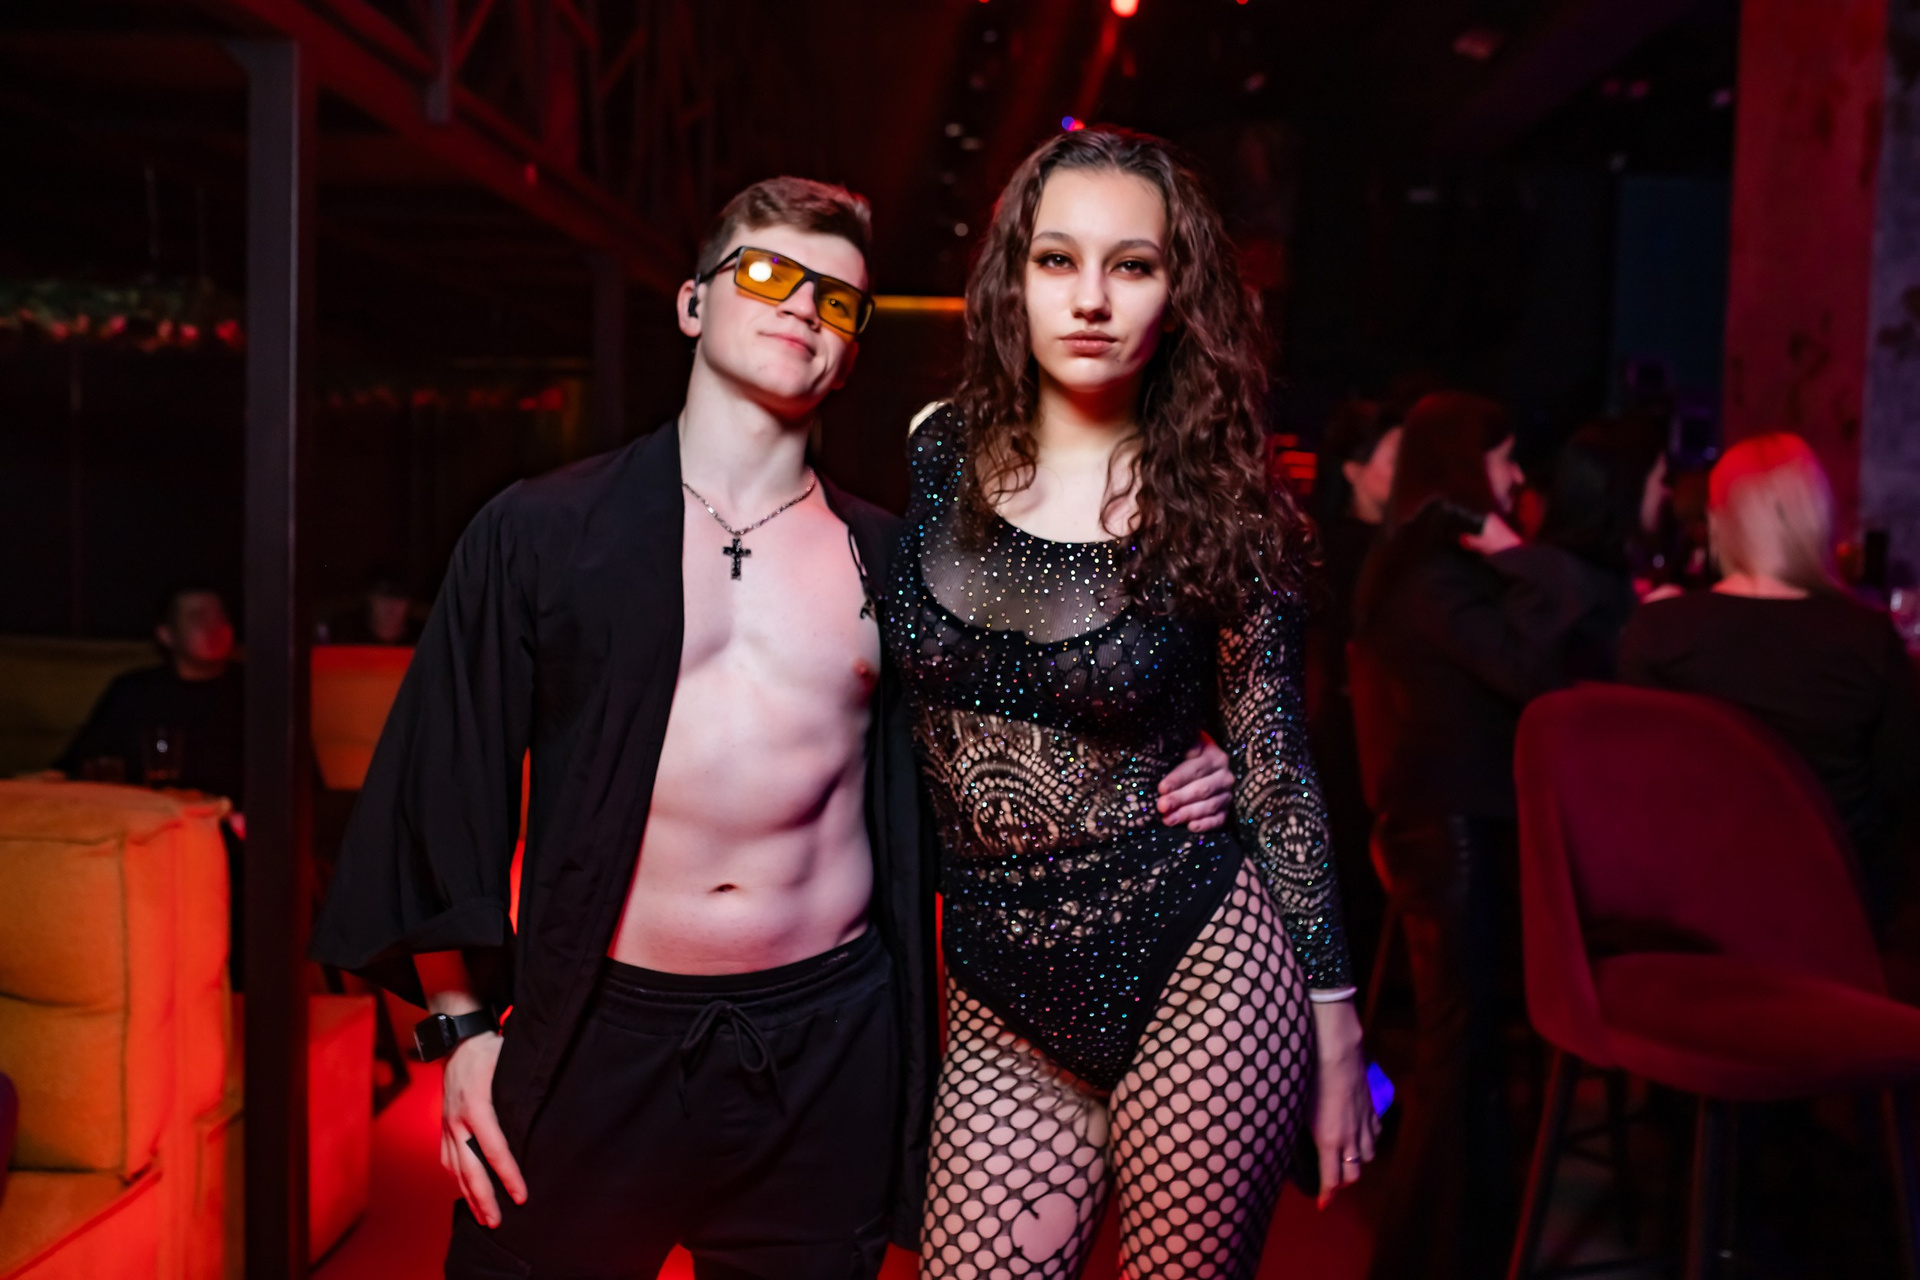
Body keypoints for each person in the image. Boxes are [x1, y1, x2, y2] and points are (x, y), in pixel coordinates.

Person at [309, 175, 1234, 1280]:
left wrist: (1178, 759)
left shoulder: (903, 564)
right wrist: (459, 1031)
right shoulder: (542, 533)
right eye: (765, 272)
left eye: (837, 300)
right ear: (694, 303)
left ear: (848, 355)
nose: (802, 304)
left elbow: (1022, 738)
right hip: (601, 1033)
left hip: (826, 1046)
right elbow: (440, 782)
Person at [884, 126, 1376, 1280]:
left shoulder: (1224, 502)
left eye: (1133, 264)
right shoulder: (935, 450)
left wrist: (1338, 1021)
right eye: (1058, 259)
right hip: (997, 984)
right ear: (1013, 277)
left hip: (1200, 961)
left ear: (1178, 291)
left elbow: (1274, 761)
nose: (1092, 297)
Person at [1350, 391, 1587, 1280]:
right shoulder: (1434, 577)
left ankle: (1455, 1246)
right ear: (1463, 466)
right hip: (1446, 833)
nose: (1516, 477)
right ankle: (1432, 1255)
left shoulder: (1417, 566)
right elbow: (1532, 671)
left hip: (1443, 825)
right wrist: (1518, 552)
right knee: (1457, 1057)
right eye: (1503, 458)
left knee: (1465, 1052)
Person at [1620, 433, 1920, 931]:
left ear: (1718, 523)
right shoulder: (1867, 638)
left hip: (1694, 902)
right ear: (1815, 521)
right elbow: (1899, 789)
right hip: (1831, 903)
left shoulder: (1660, 630)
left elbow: (1636, 783)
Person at [57, 583, 248, 986]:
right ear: (166, 634)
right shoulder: (134, 693)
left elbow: (298, 780)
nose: (213, 626)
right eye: (197, 617)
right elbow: (80, 765)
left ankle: (232, 992)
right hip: (147, 837)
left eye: (220, 616)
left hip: (232, 840)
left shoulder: (258, 693)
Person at [1307, 399, 1402, 994]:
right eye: (1395, 458)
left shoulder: (1394, 548)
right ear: (1352, 469)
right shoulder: (1339, 549)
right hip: (1344, 735)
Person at [1528, 415, 1668, 680]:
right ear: (1632, 485)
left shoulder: (1596, 569)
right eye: (1660, 479)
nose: (1665, 492)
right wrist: (1645, 623)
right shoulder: (1563, 576)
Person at [319, 573, 421, 645]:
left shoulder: (421, 640)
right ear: (369, 598)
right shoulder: (345, 637)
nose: (391, 603)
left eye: (399, 596)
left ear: (410, 603)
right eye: (384, 594)